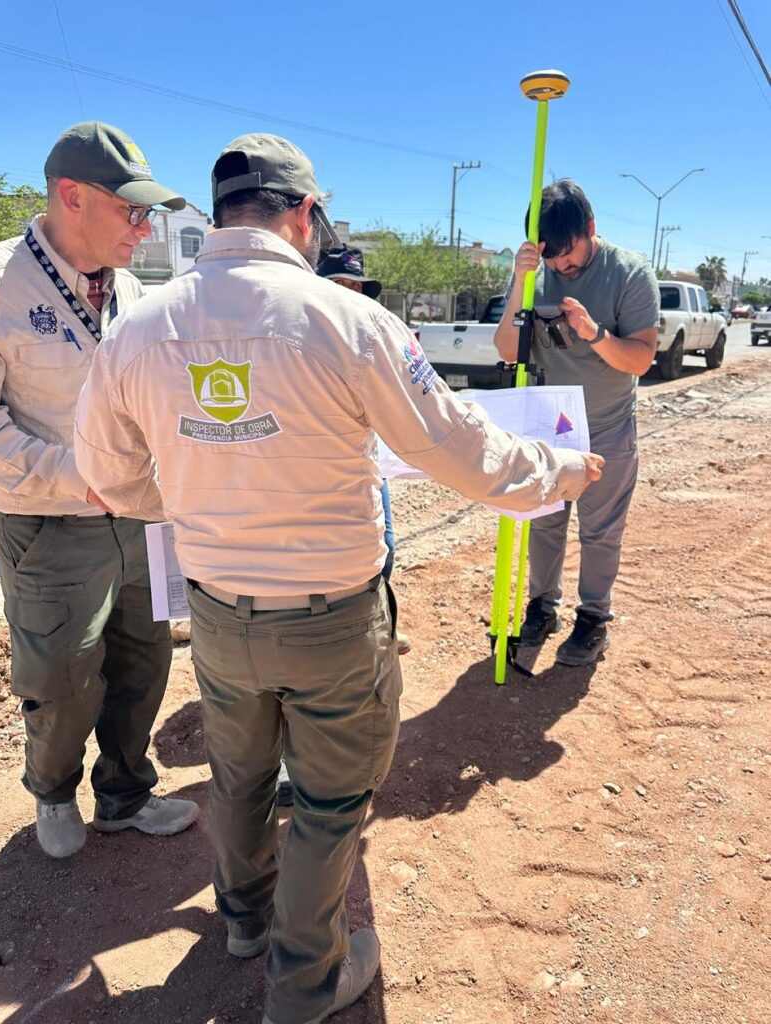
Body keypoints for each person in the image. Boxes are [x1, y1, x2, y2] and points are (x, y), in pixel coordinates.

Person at [73, 133, 603, 1024]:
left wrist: (201, 495)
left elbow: (106, 477)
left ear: (218, 213)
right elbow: (460, 450)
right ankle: (305, 984)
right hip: (331, 620)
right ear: (305, 215)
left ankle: (245, 920)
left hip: (218, 615)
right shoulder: (349, 322)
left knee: (240, 774)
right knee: (328, 802)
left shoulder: (137, 328)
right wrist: (559, 471)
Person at [0, 121, 199, 859]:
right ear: (71, 196)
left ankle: (126, 794)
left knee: (144, 658)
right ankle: (52, 791)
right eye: (132, 210)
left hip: (139, 516)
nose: (145, 228)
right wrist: (82, 479)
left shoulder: (134, 290)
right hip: (50, 522)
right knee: (62, 673)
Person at [494, 179, 660, 666]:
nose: (560, 268)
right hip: (549, 430)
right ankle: (542, 607)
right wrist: (520, 284)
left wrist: (594, 333)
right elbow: (506, 348)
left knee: (600, 531)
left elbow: (641, 359)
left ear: (591, 227)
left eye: (568, 256)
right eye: (552, 259)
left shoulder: (630, 273)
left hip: (607, 427)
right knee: (544, 524)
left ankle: (593, 618)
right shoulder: (535, 272)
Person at [317, 245, 411, 654]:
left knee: (383, 548)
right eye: (339, 283)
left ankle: (380, 629)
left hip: (371, 460)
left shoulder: (369, 338)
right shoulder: (304, 340)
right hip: (323, 468)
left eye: (356, 286)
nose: (349, 292)